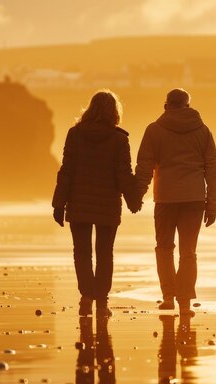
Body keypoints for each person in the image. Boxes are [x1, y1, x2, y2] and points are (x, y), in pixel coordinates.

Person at [52, 90, 141, 317]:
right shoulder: (119, 139)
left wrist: (58, 204)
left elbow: (67, 171)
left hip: (79, 204)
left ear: (90, 108)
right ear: (114, 112)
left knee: (81, 253)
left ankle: (85, 297)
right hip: (108, 206)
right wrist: (133, 199)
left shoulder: (75, 134)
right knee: (104, 253)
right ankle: (101, 302)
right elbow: (123, 174)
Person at [135, 88, 216, 317]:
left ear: (166, 106)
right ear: (188, 106)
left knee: (164, 248)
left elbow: (144, 166)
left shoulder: (153, 130)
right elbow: (213, 169)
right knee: (188, 252)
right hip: (194, 199)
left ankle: (168, 297)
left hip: (165, 198)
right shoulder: (203, 131)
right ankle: (184, 303)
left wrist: (136, 195)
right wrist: (213, 202)